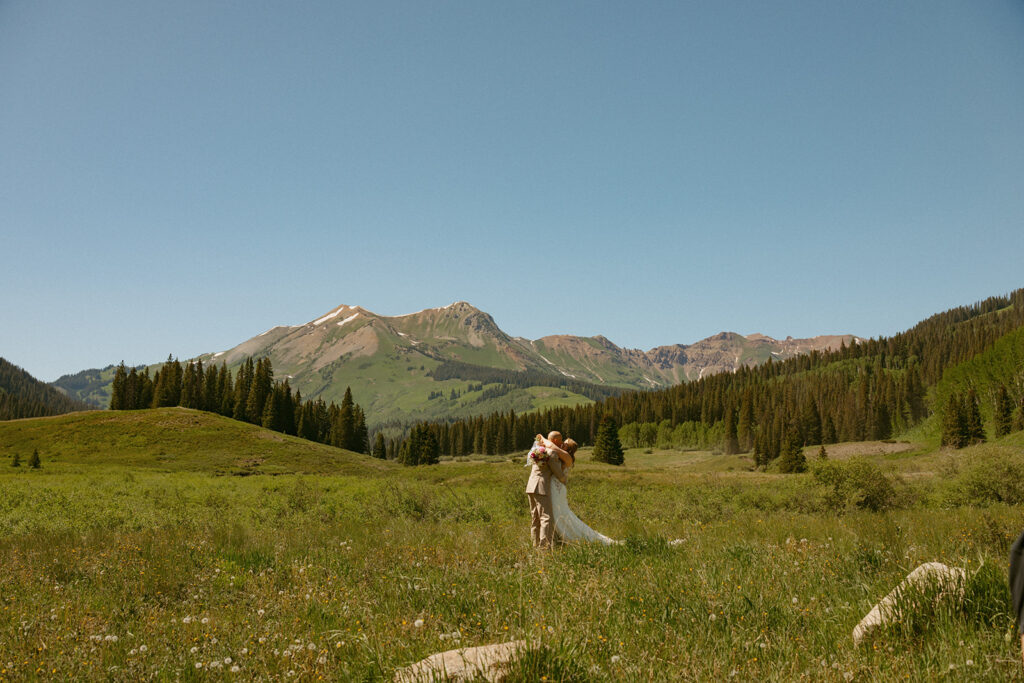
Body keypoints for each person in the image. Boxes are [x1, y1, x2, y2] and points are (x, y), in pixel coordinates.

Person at [533, 434, 619, 546]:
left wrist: (542, 438)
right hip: (553, 487)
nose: (562, 444)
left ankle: (567, 538)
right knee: (554, 513)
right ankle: (555, 539)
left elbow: (552, 446)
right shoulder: (561, 454)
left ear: (568, 448)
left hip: (557, 489)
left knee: (558, 513)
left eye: (565, 443)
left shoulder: (567, 457)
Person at [525, 432, 566, 549]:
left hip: (531, 486)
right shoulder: (551, 453)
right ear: (556, 441)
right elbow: (558, 473)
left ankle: (535, 544)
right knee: (546, 517)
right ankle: (544, 547)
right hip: (541, 487)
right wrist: (564, 480)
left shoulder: (538, 449)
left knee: (535, 517)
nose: (562, 442)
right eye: (561, 440)